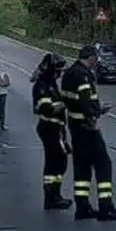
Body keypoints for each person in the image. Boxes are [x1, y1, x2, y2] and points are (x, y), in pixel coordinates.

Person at [60, 45, 116, 221]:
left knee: (82, 167)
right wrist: (93, 118)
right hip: (87, 127)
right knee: (103, 164)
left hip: (74, 127)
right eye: (95, 59)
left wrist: (97, 109)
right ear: (91, 58)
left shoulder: (68, 74)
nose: (96, 62)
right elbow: (84, 100)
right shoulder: (84, 75)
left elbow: (71, 100)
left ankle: (82, 207)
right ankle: (106, 208)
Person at [31, 53, 73, 210]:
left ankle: (56, 195)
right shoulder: (43, 85)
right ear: (51, 69)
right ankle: (50, 197)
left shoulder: (51, 84)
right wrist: (64, 105)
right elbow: (44, 108)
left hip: (57, 128)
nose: (60, 73)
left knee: (60, 162)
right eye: (58, 70)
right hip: (49, 128)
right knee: (53, 163)